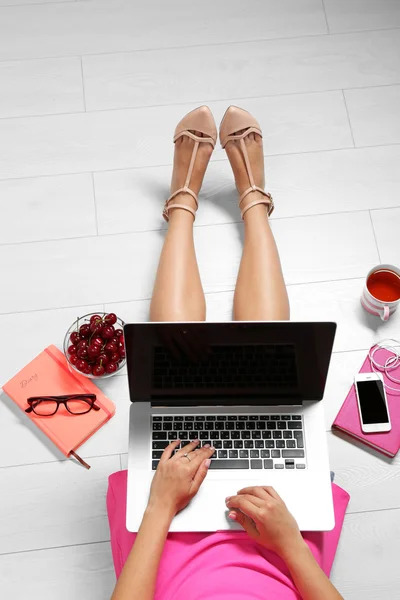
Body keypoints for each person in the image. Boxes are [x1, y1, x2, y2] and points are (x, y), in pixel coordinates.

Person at [108, 106, 349, 600]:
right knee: (268, 354)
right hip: (280, 554)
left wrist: (159, 506)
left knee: (175, 348)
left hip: (167, 548)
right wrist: (290, 543)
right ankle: (252, 196)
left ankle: (184, 199)